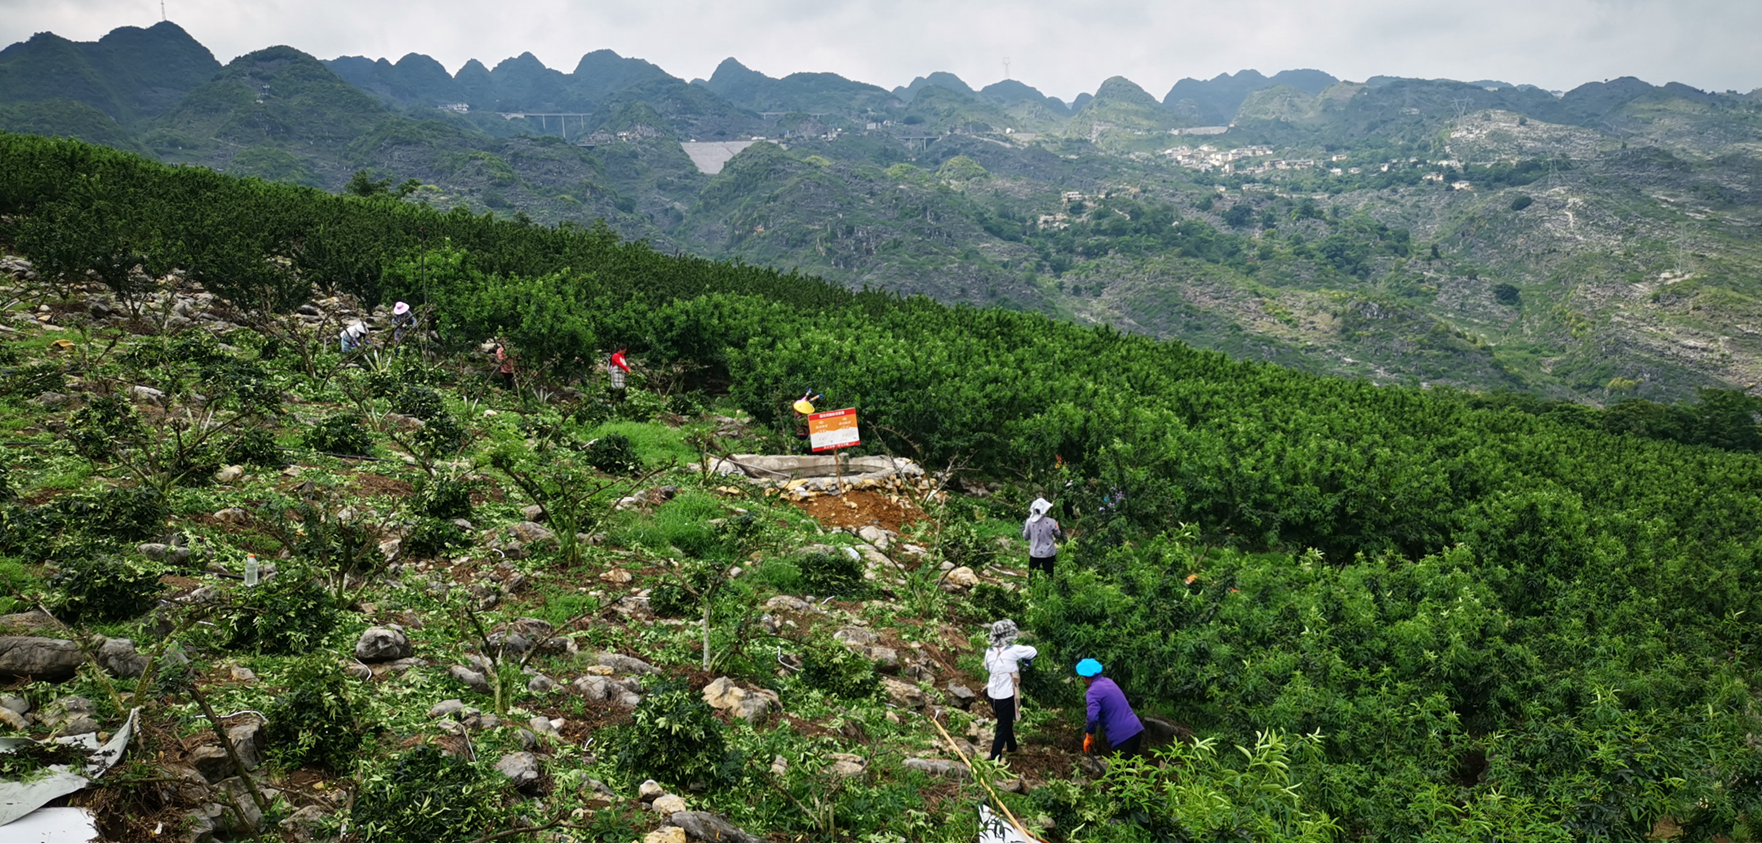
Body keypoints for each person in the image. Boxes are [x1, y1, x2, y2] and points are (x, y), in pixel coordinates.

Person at [983, 619, 1038, 762]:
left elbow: (987, 668)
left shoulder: (989, 652)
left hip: (992, 694)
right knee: (1003, 726)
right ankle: (995, 757)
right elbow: (1033, 651)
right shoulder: (1014, 650)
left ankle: (1012, 746)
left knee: (1004, 720)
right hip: (1006, 695)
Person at [1077, 658, 1144, 758]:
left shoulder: (1093, 692)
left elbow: (1092, 717)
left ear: (1084, 678)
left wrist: (1089, 736)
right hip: (1136, 729)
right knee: (1127, 770)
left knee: (1119, 772)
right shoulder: (1109, 682)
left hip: (1122, 736)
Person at [1023, 497, 1063, 579]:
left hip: (1035, 553)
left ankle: (1032, 590)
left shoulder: (1029, 522)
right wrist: (1057, 528)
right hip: (1049, 553)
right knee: (1049, 575)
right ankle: (1047, 590)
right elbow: (1058, 535)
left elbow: (1025, 537)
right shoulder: (1052, 522)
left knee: (1032, 575)